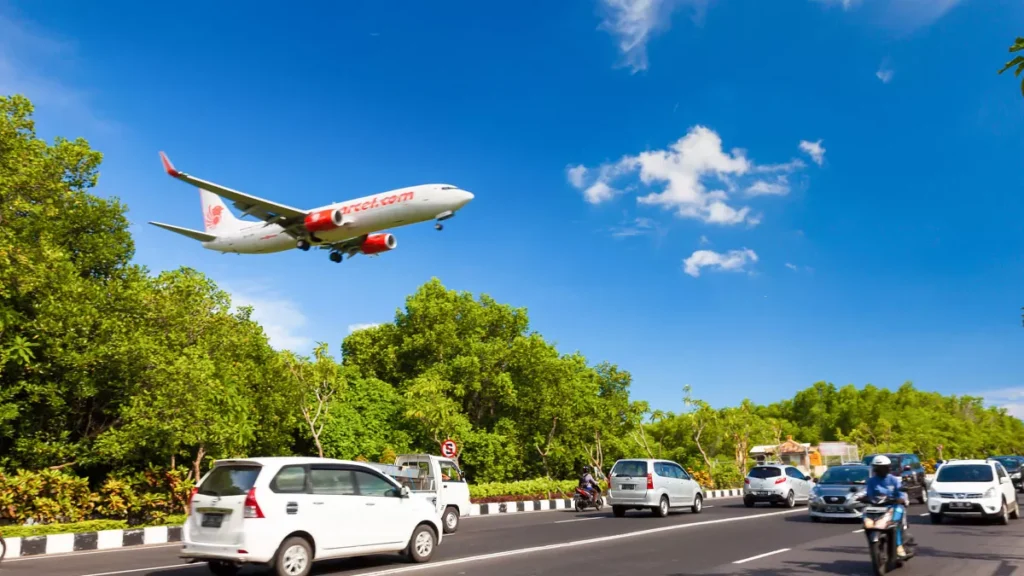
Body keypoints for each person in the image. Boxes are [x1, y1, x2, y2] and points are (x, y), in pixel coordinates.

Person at [865, 455, 912, 558]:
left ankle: (899, 546)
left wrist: (900, 498)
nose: (880, 470)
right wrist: (864, 498)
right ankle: (873, 542)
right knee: (866, 520)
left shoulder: (894, 480)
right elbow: (869, 494)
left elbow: (901, 493)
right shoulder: (872, 481)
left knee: (894, 523)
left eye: (883, 468)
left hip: (893, 506)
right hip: (877, 507)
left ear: (888, 468)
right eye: (877, 468)